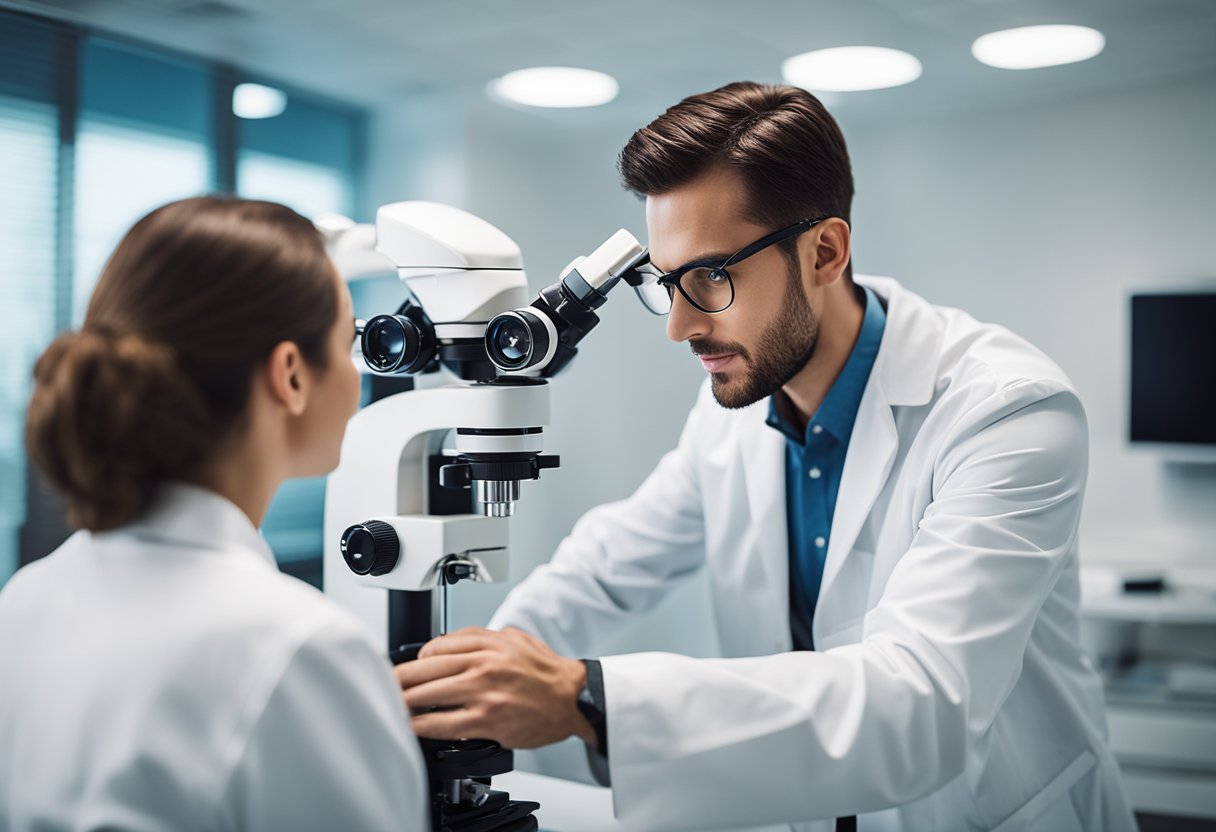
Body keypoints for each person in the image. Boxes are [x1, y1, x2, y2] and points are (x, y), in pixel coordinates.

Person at [395, 83, 1136, 831]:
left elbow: (923, 705)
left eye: (712, 277)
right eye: (665, 282)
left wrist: (584, 700)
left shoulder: (1006, 411)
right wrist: (465, 678)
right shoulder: (735, 408)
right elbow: (607, 565)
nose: (678, 327)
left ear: (824, 251)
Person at [0, 197, 428, 830]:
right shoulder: (302, 651)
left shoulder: (25, 600)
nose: (357, 372)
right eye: (347, 343)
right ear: (290, 375)